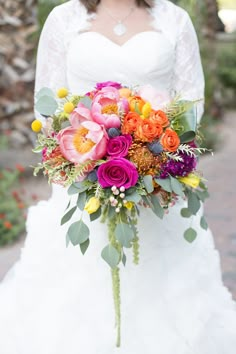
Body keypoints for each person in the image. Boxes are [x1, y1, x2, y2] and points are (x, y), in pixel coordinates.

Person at [0, 0, 236, 353]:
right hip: (81, 187)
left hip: (157, 190)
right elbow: (45, 105)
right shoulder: (64, 19)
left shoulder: (174, 19)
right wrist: (84, 163)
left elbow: (192, 104)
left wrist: (152, 163)